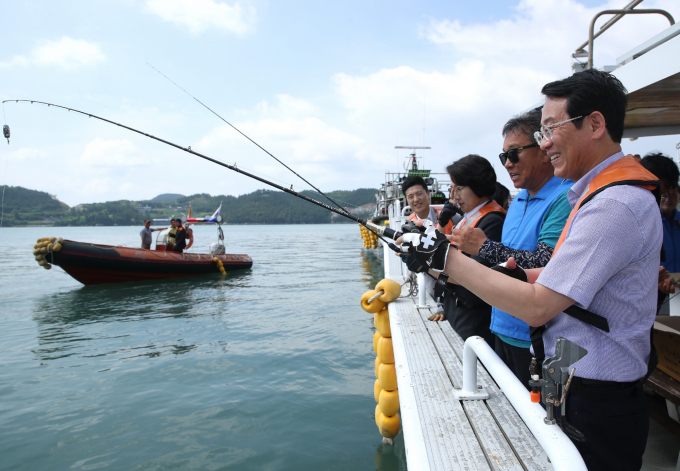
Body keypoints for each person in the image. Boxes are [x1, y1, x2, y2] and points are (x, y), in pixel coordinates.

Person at [406, 69, 660, 471]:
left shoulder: (614, 206)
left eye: (550, 129)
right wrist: (448, 266)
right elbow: (546, 275)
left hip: (597, 399)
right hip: (574, 389)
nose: (545, 144)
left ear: (595, 124)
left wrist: (446, 259)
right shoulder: (595, 195)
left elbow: (540, 305)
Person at [449, 109, 573, 388]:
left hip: (535, 337)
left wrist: (484, 246)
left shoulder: (564, 196)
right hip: (500, 326)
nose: (508, 163)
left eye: (514, 154)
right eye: (503, 156)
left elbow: (548, 261)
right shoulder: (517, 202)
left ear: (543, 149)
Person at [440, 155, 506, 347]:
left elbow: (477, 277)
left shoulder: (492, 221)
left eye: (459, 188)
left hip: (473, 318)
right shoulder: (467, 217)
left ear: (477, 185)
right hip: (457, 310)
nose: (454, 195)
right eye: (452, 188)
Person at [640, 152, 680, 306]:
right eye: (664, 193)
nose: (665, 197)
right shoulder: (638, 212)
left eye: (672, 194)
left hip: (659, 284)